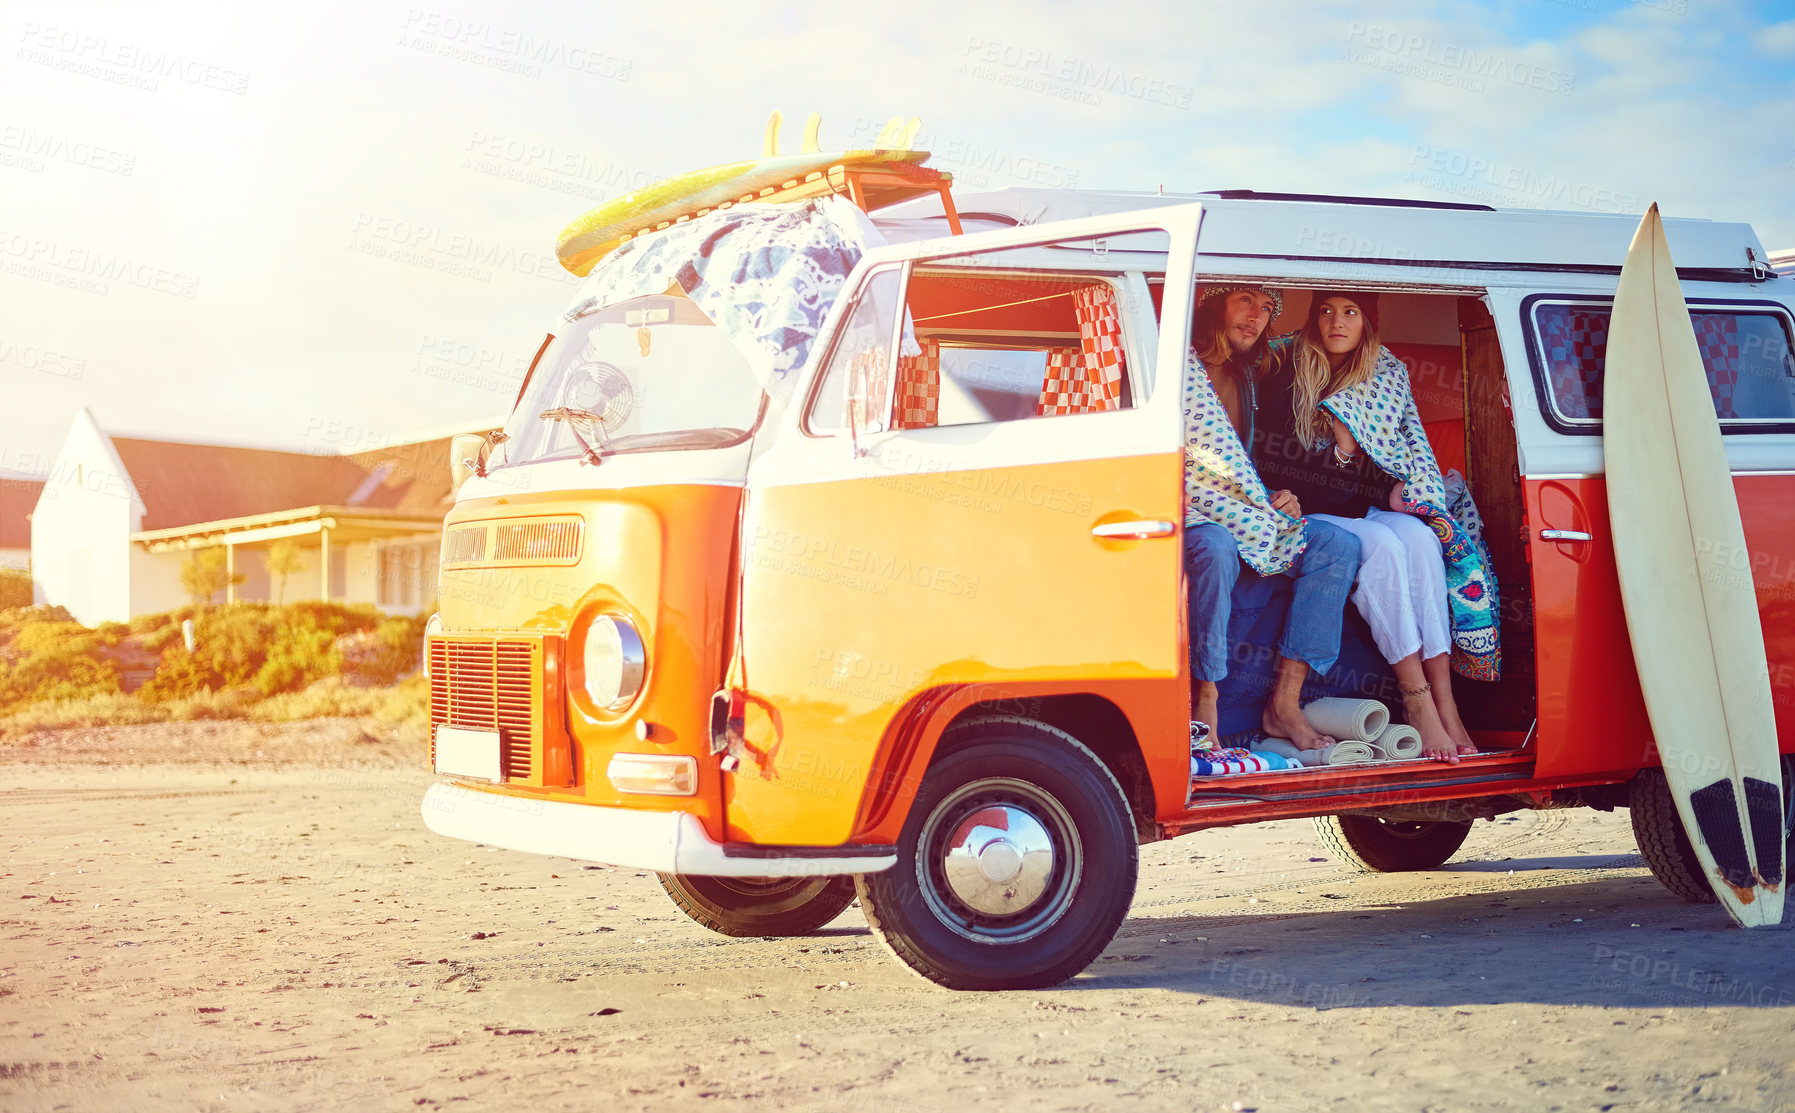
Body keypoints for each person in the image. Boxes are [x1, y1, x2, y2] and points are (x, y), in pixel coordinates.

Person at [1256, 291, 1484, 763]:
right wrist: (1339, 452)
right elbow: (1279, 465)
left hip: (1362, 507)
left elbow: (1393, 458)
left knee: (1420, 539)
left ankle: (1447, 702)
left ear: (1367, 323)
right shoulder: (1286, 369)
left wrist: (1390, 495)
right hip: (1306, 508)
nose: (1336, 322)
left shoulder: (1383, 374)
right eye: (1326, 310)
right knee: (1382, 544)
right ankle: (1417, 699)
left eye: (1350, 312)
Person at [1183, 285, 1361, 752]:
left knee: (1336, 544)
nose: (1256, 316)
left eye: (1266, 309)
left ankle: (1285, 703)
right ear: (1213, 303)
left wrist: (1276, 496)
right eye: (1245, 300)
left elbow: (1240, 467)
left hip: (1237, 511)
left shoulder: (1245, 376)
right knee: (1215, 546)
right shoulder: (1172, 366)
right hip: (1177, 513)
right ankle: (1205, 694)